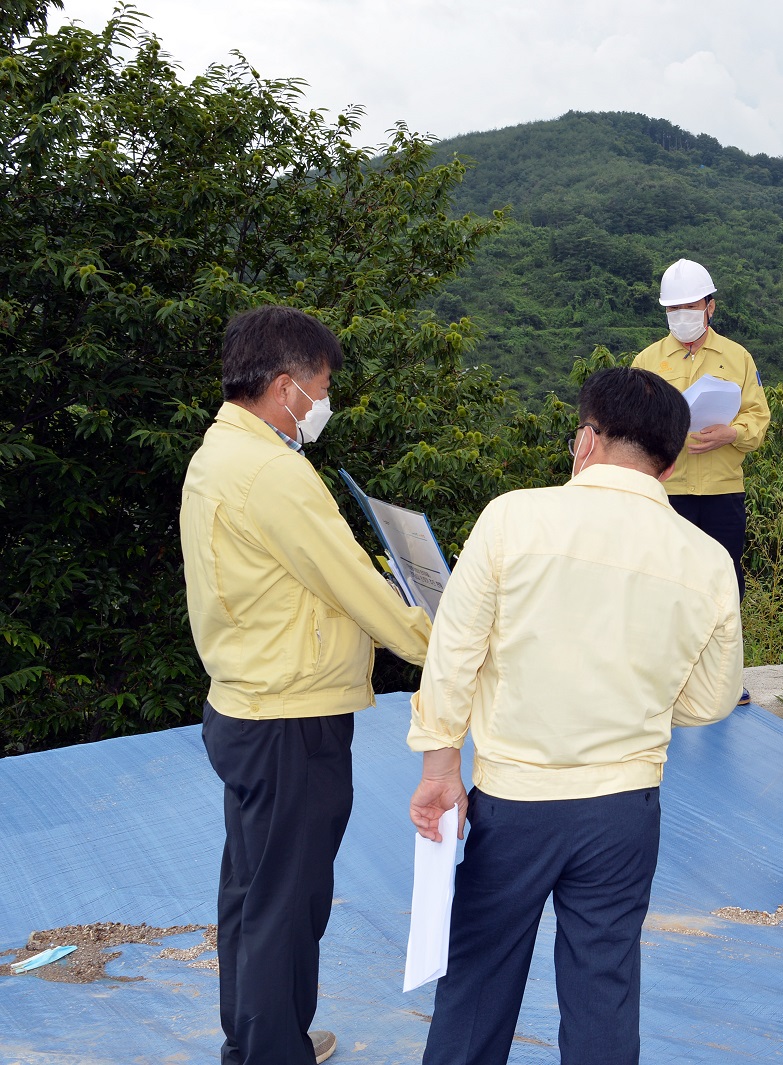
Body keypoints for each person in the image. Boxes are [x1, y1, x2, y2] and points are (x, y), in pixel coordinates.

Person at [407, 367, 743, 1065]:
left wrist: (441, 765)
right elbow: (711, 701)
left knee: (478, 981)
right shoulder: (706, 560)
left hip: (517, 800)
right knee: (603, 991)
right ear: (672, 463)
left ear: (586, 439)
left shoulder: (513, 517)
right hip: (624, 808)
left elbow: (453, 654)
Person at [180, 305, 432, 1065]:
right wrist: (445, 641)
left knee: (254, 889)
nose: (325, 404)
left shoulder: (220, 451)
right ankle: (269, 1052)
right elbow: (354, 581)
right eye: (322, 388)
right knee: (287, 899)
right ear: (286, 386)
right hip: (291, 714)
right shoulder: (271, 471)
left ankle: (261, 1034)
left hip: (247, 700)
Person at [633, 258, 769, 704]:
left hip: (721, 490)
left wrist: (732, 433)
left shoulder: (737, 357)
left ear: (710, 306)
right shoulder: (647, 361)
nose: (681, 316)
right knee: (664, 584)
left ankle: (723, 680)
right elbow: (631, 425)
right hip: (665, 492)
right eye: (672, 309)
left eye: (690, 306)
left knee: (724, 584)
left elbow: (757, 418)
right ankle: (666, 681)